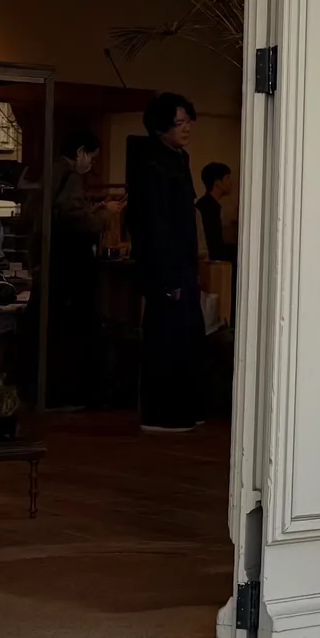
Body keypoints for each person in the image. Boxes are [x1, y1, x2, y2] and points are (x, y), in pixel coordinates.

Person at [127, 92, 204, 433]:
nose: (186, 128)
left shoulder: (179, 158)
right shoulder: (151, 164)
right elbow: (154, 224)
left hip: (183, 263)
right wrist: (167, 276)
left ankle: (185, 410)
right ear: (161, 127)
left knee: (188, 337)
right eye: (179, 123)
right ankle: (162, 415)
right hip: (165, 266)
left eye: (188, 121)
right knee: (166, 339)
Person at [44, 130, 122, 409]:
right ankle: (68, 395)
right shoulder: (71, 176)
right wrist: (105, 213)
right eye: (91, 157)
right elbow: (74, 219)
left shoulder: (49, 171)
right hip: (70, 264)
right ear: (80, 152)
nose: (91, 164)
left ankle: (48, 394)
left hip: (50, 261)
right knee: (73, 331)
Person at [195, 161, 235, 264]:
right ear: (217, 183)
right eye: (227, 178)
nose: (231, 182)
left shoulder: (210, 205)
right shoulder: (208, 207)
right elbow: (214, 245)